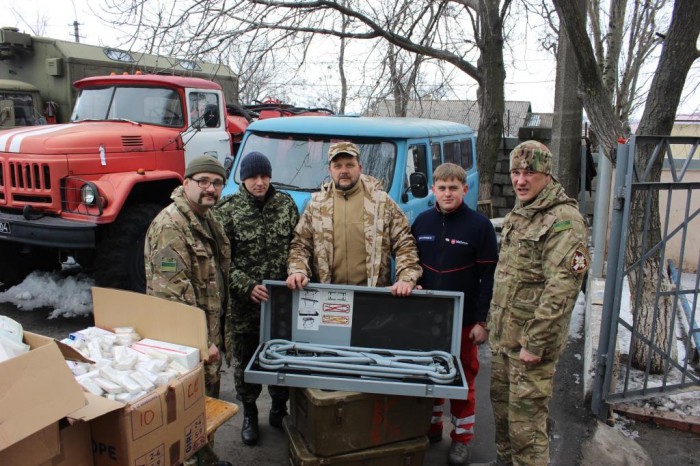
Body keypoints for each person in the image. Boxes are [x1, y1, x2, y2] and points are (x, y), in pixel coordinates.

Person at [474, 141, 590, 466]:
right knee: (503, 421)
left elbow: (562, 289)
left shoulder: (563, 221)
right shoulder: (521, 212)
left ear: (546, 173)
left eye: (530, 172)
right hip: (504, 341)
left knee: (527, 432)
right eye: (515, 172)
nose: (520, 180)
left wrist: (535, 343)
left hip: (530, 348)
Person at [144, 155, 232, 466]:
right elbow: (171, 297)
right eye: (204, 181)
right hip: (186, 347)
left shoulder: (207, 219)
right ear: (186, 184)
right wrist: (199, 342)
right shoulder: (171, 227)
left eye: (217, 182)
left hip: (206, 339)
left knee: (204, 407)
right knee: (187, 412)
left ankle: (206, 458)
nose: (211, 188)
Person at [411, 163, 498, 466]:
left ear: (465, 189)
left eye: (454, 188)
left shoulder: (480, 226)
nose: (448, 193)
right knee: (429, 374)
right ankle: (431, 426)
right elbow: (412, 267)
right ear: (433, 190)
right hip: (427, 320)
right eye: (442, 188)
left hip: (464, 321)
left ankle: (461, 439)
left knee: (463, 379)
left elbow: (489, 277)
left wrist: (483, 322)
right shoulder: (421, 222)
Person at [215, 152, 299, 446]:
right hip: (246, 304)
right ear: (243, 178)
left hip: (282, 303)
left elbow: (297, 247)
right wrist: (245, 285)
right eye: (254, 177)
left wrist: (296, 273)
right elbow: (222, 261)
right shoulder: (227, 210)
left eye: (265, 176)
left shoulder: (286, 205)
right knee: (245, 360)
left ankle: (279, 409)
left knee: (282, 358)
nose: (260, 182)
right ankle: (250, 413)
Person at [286, 141, 422, 295]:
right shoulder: (316, 205)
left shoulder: (381, 203)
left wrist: (405, 278)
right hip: (328, 298)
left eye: (349, 165)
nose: (344, 171)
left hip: (372, 298)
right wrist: (298, 270)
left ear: (360, 168)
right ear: (329, 170)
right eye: (338, 166)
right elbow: (300, 245)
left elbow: (404, 244)